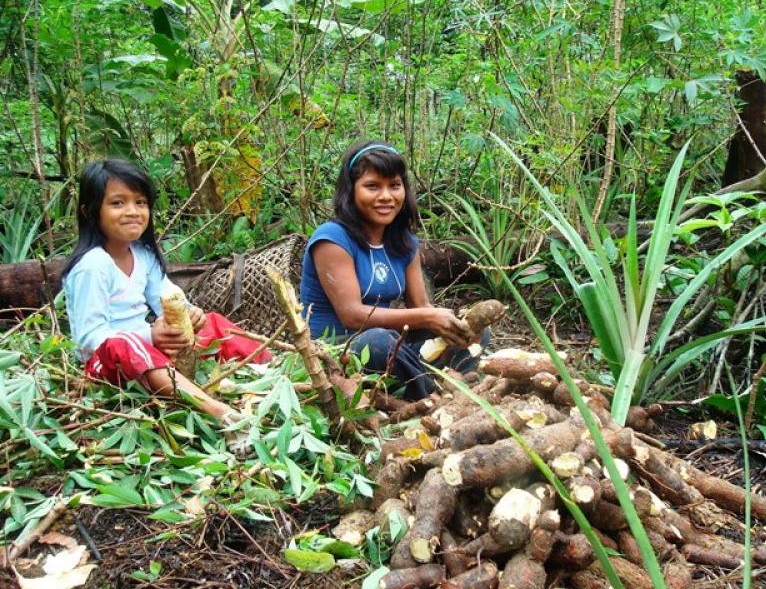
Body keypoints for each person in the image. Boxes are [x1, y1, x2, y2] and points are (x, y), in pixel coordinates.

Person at [61, 159, 271, 453]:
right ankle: (221, 414)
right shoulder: (93, 266)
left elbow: (166, 294)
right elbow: (88, 340)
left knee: (213, 322)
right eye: (118, 203)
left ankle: (272, 374)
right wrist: (149, 336)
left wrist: (188, 314)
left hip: (150, 352)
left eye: (140, 202)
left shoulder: (142, 254)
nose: (133, 212)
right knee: (125, 345)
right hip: (109, 363)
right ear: (90, 211)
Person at [300, 140, 486, 400]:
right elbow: (352, 315)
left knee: (472, 331)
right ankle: (437, 394)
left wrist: (453, 323)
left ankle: (455, 383)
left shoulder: (404, 242)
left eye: (394, 186)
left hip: (389, 344)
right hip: (336, 350)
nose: (386, 196)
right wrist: (426, 317)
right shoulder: (332, 239)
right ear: (351, 191)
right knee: (377, 342)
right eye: (372, 186)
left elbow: (421, 306)